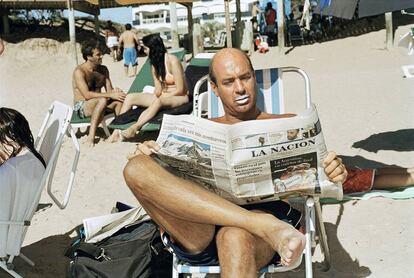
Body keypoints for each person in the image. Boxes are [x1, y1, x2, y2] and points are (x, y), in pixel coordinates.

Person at [123, 48, 348, 276]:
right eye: (229, 82)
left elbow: (319, 174)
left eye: (245, 78)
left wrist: (334, 170)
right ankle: (258, 224)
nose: (240, 88)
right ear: (214, 88)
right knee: (136, 167)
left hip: (261, 225)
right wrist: (151, 156)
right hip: (201, 227)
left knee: (234, 235)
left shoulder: (287, 124)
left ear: (254, 78)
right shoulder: (198, 131)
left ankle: (256, 224)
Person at [108, 34, 189, 142]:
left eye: (146, 48)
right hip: (163, 96)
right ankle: (117, 130)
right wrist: (152, 95)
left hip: (179, 97)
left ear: (154, 48)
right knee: (130, 97)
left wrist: (162, 97)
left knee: (159, 101)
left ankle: (135, 128)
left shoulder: (172, 61)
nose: (144, 50)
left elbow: (181, 89)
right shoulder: (154, 64)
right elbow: (158, 89)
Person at [72, 39, 126, 146]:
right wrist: (109, 95)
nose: (101, 56)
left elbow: (109, 91)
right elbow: (87, 95)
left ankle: (119, 131)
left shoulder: (103, 70)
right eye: (98, 55)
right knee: (102, 100)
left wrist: (116, 92)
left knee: (119, 100)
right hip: (82, 106)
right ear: (89, 57)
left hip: (99, 104)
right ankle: (91, 137)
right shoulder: (80, 71)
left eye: (101, 54)